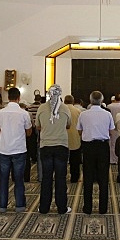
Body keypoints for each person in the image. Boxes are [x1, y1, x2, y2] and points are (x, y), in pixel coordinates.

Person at [0, 87, 33, 213]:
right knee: (19, 179)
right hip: (19, 150)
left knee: (4, 179)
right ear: (18, 98)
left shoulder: (0, 113)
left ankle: (2, 205)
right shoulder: (24, 113)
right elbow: (28, 132)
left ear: (8, 97)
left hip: (4, 149)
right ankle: (20, 205)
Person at [36, 84, 71, 215]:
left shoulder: (41, 108)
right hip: (61, 145)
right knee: (61, 178)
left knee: (46, 178)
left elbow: (38, 126)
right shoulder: (65, 108)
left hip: (45, 146)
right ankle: (62, 208)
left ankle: (44, 208)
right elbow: (68, 125)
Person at [77, 90, 114, 214]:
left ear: (91, 100)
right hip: (103, 147)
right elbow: (110, 131)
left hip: (88, 147)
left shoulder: (83, 114)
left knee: (88, 177)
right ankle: (103, 208)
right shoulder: (107, 114)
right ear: (102, 101)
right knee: (104, 178)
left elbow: (79, 131)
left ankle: (88, 208)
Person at [64, 95, 83, 183]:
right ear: (73, 101)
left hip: (62, 137)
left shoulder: (61, 110)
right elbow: (81, 126)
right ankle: (74, 177)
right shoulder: (78, 111)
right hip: (75, 137)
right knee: (75, 160)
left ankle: (61, 176)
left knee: (62, 159)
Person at [106, 94, 120, 166]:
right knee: (119, 144)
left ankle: (112, 159)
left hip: (111, 126)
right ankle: (118, 159)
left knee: (112, 144)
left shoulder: (109, 106)